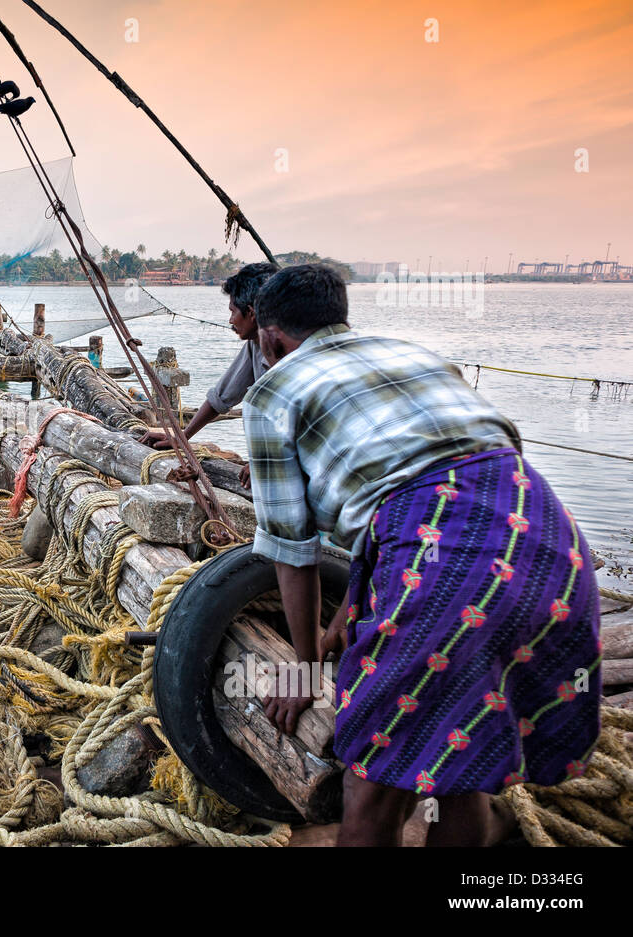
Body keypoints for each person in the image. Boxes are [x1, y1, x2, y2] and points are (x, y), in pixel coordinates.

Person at [244, 264, 601, 847]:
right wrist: (351, 612)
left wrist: (307, 665)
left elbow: (291, 548)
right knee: (464, 761)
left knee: (374, 781)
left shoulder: (272, 393)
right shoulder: (418, 354)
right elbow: (484, 459)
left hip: (441, 559)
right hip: (548, 538)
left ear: (270, 336)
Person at [139, 262, 278, 487]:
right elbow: (221, 398)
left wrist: (268, 458)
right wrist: (182, 438)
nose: (230, 320)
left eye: (233, 311)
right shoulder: (256, 344)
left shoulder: (297, 356)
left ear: (251, 313)